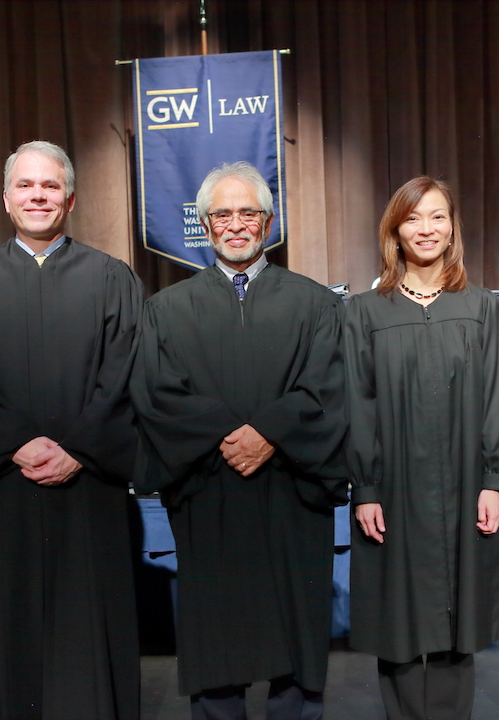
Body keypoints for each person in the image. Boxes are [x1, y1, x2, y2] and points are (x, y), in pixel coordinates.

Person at [130, 161, 348, 720]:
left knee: (295, 647)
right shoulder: (165, 311)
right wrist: (233, 435)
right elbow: (158, 395)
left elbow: (329, 385)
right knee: (217, 648)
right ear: (203, 224)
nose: (234, 224)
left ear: (268, 221)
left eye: (247, 212)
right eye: (220, 214)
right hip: (211, 493)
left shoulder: (317, 304)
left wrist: (269, 433)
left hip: (292, 494)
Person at [0, 140, 142, 720]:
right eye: (25, 185)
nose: (37, 196)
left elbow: (123, 376)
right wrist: (17, 445)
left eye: (50, 186)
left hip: (89, 485)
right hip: (7, 482)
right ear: (5, 199)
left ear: (69, 198)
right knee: (11, 619)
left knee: (88, 616)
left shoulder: (112, 278)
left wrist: (78, 449)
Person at [345, 176, 499, 720]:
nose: (427, 229)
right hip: (393, 489)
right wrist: (366, 487)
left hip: (466, 485)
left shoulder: (481, 307)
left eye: (438, 216)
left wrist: (494, 481)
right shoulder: (363, 312)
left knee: (456, 616)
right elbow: (358, 403)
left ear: (452, 227)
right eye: (414, 218)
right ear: (394, 230)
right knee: (397, 619)